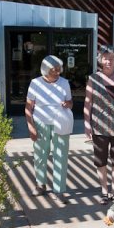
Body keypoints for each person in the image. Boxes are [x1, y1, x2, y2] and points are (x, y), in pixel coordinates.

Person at [84, 45, 114, 205]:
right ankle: (104, 191)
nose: (108, 61)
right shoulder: (93, 79)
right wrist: (87, 125)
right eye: (105, 58)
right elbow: (88, 102)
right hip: (99, 127)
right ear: (100, 61)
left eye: (111, 58)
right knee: (101, 160)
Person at [25, 55, 73, 205]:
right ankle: (41, 184)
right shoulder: (35, 83)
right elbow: (28, 107)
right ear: (45, 70)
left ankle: (60, 190)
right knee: (40, 154)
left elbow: (71, 102)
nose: (58, 73)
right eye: (54, 70)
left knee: (61, 155)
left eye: (59, 70)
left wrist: (68, 104)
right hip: (40, 122)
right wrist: (31, 126)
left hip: (61, 122)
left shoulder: (65, 83)